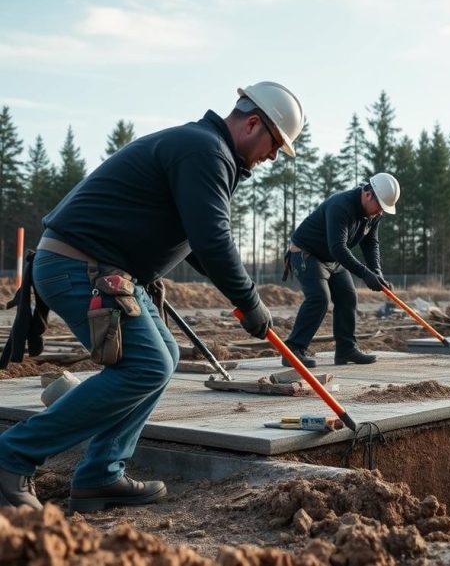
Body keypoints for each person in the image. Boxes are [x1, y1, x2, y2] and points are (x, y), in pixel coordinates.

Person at [0, 81, 303, 512]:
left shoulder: (202, 148)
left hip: (100, 269)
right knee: (147, 364)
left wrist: (243, 298)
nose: (272, 157)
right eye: (274, 145)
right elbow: (213, 240)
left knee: (164, 358)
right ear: (253, 123)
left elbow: (197, 245)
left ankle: (101, 476)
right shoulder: (206, 151)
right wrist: (250, 302)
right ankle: (12, 455)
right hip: (80, 265)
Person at [281, 173, 400, 368]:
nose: (380, 213)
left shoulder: (373, 214)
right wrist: (364, 273)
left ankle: (346, 350)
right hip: (306, 253)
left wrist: (376, 272)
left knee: (348, 296)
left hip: (332, 258)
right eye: (380, 207)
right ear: (368, 194)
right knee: (319, 297)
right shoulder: (341, 206)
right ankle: (293, 350)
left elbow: (371, 243)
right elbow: (338, 248)